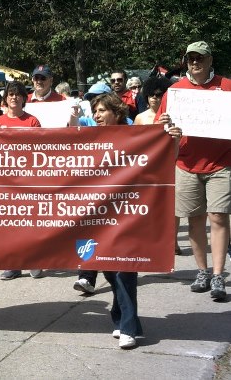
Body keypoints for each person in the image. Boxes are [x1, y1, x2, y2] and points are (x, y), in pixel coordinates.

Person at [71, 93, 182, 348]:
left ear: (117, 113)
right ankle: (120, 314)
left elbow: (163, 161)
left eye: (101, 111)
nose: (96, 116)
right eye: (94, 111)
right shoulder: (90, 136)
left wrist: (173, 142)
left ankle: (128, 326)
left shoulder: (137, 135)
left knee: (124, 269)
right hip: (99, 216)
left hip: (130, 214)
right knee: (111, 270)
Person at [155, 40, 231, 301]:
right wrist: (164, 125)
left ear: (211, 60)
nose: (195, 62)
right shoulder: (175, 91)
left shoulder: (227, 87)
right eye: (191, 58)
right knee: (195, 218)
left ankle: (219, 274)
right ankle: (203, 271)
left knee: (218, 216)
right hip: (186, 165)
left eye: (200, 58)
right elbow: (159, 130)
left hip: (221, 163)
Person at [0, 81, 42, 280]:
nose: (14, 97)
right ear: (6, 98)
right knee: (8, 223)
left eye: (18, 94)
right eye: (10, 94)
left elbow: (41, 150)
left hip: (27, 179)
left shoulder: (32, 121)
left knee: (29, 222)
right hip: (4, 180)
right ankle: (12, 264)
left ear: (24, 98)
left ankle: (33, 260)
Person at [134, 76, 183, 255]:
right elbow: (136, 143)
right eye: (152, 94)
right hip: (148, 166)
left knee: (172, 205)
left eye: (159, 94)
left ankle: (173, 239)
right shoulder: (140, 118)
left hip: (170, 164)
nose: (155, 97)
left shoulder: (174, 116)